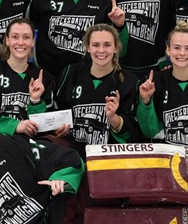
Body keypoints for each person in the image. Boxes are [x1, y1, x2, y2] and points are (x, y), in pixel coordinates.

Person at [55, 24, 140, 159]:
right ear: (88, 47)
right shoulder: (71, 72)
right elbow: (58, 111)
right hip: (73, 154)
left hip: (111, 159)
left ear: (116, 48)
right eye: (95, 45)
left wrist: (114, 118)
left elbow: (135, 133)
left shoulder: (130, 81)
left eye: (107, 45)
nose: (101, 50)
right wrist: (60, 127)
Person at [0, 18, 56, 138]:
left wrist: (35, 101)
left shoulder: (44, 78)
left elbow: (44, 127)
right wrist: (14, 126)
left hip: (27, 144)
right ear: (7, 40)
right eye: (15, 37)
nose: (20, 42)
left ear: (33, 41)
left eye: (26, 37)